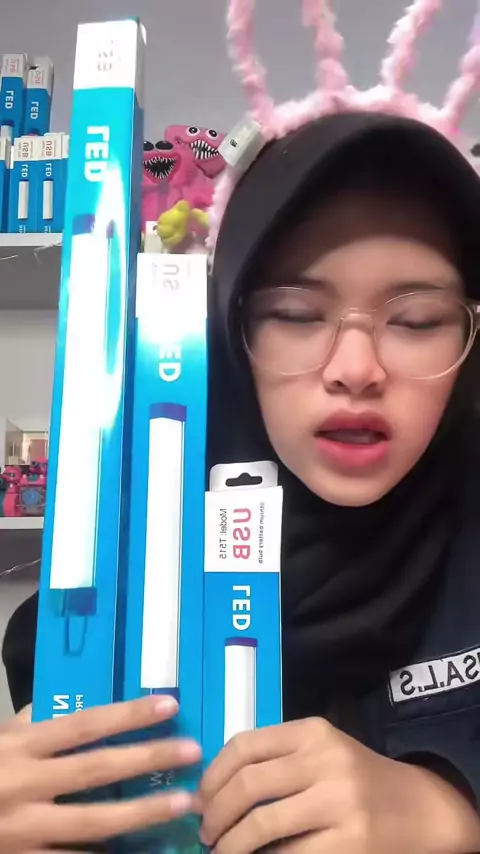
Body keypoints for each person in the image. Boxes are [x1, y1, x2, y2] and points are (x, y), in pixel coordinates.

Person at [4, 1, 480, 851]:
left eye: (416, 321)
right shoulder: (95, 618)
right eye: (296, 314)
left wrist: (451, 814)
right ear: (231, 335)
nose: (356, 368)